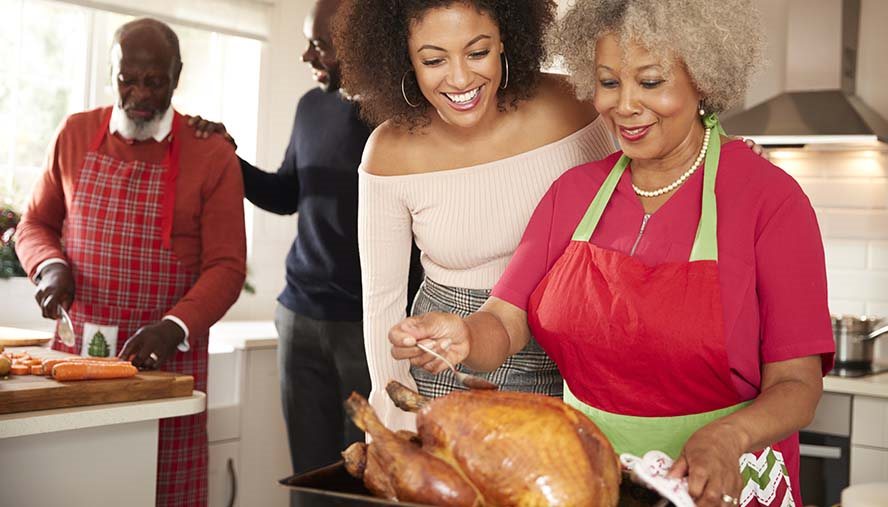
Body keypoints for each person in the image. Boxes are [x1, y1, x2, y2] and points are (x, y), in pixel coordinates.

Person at [387, 1, 836, 506]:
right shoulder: (574, 192)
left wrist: (727, 437)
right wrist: (464, 335)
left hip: (721, 482)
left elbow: (798, 384)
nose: (624, 105)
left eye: (650, 82)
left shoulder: (767, 199)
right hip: (592, 480)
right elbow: (505, 320)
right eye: (607, 82)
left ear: (704, 80)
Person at [332, 0, 619, 432]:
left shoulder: (575, 106)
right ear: (403, 57)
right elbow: (382, 301)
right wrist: (394, 419)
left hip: (579, 347)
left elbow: (638, 199)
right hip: (452, 363)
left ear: (505, 38)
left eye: (478, 52)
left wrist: (723, 159)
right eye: (433, 60)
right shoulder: (389, 152)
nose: (461, 78)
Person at [16, 18, 246, 506]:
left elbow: (227, 267)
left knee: (163, 491)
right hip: (75, 361)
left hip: (164, 369)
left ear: (177, 75)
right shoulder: (74, 133)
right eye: (127, 79)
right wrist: (48, 266)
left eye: (154, 81)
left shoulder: (212, 154)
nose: (138, 93)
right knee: (73, 487)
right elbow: (34, 224)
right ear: (111, 72)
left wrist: (174, 325)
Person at [186, 0, 423, 473]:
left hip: (369, 327)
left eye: (319, 46)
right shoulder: (310, 107)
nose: (307, 57)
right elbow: (286, 193)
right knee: (310, 472)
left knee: (371, 473)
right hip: (299, 318)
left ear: (357, 47)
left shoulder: (405, 117)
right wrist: (228, 158)